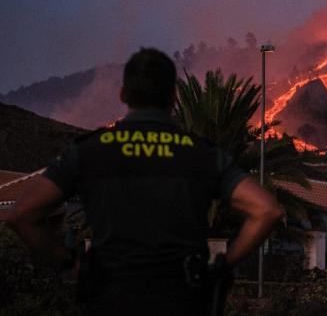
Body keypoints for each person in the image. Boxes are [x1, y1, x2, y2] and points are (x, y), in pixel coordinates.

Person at [8, 48, 282, 315]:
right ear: (174, 97)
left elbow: (22, 214)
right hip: (181, 298)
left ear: (123, 94)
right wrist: (223, 265)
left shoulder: (90, 151)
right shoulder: (201, 154)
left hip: (111, 297)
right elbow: (267, 209)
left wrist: (71, 262)